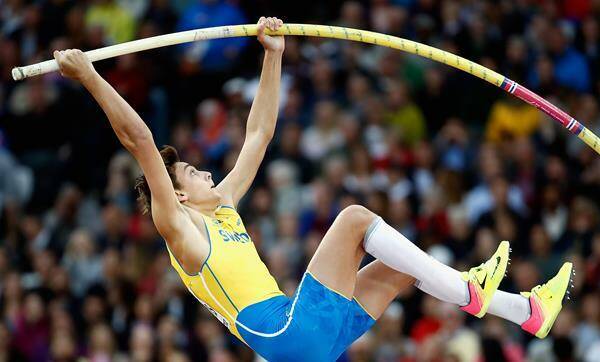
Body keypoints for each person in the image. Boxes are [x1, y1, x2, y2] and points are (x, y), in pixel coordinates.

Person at [52, 17, 574, 361]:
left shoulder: (225, 207)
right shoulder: (181, 230)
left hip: (308, 341)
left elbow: (259, 133)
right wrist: (90, 75)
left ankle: (524, 312)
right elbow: (138, 138)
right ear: (178, 194)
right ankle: (469, 292)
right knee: (352, 219)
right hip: (290, 336)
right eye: (190, 172)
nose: (205, 172)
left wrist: (273, 55)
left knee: (401, 269)